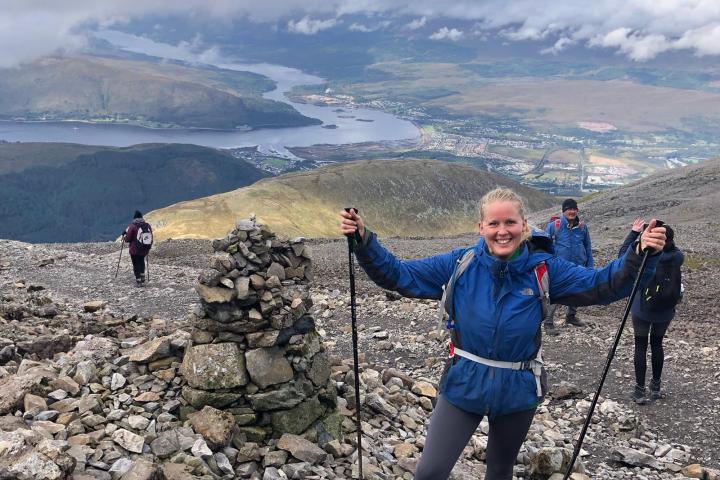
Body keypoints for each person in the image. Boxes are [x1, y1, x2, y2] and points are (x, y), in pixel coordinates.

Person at [339, 188, 666, 480]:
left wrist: (639, 252)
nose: (502, 231)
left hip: (517, 391)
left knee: (499, 471)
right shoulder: (460, 264)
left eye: (509, 222)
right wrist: (364, 241)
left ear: (524, 225)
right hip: (463, 383)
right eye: (493, 224)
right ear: (481, 228)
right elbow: (398, 275)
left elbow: (604, 285)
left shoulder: (544, 269)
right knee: (430, 471)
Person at [619, 218, 683, 404]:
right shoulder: (677, 256)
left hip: (643, 307)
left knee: (640, 345)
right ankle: (655, 387)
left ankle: (639, 391)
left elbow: (622, 256)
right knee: (657, 344)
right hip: (665, 309)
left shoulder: (648, 256)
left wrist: (634, 234)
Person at [543, 198, 593, 335]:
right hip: (559, 267)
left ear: (577, 210)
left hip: (578, 266)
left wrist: (590, 265)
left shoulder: (582, 227)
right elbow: (545, 247)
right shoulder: (555, 226)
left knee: (576, 291)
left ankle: (571, 316)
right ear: (563, 211)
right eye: (568, 209)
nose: (572, 212)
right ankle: (548, 322)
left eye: (574, 209)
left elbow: (588, 247)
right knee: (556, 293)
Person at [123, 210, 153, 286]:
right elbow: (150, 236)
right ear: (142, 217)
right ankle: (143, 277)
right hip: (144, 248)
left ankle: (138, 281)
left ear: (134, 218)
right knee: (141, 261)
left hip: (135, 250)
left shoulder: (132, 226)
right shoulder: (147, 225)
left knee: (136, 264)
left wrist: (124, 235)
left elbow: (127, 239)